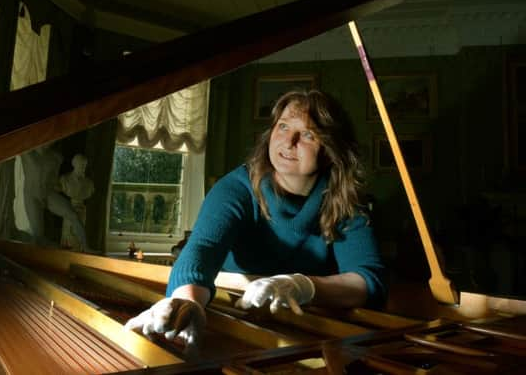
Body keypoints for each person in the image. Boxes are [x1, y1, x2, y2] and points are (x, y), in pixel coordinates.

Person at [125, 90, 386, 349]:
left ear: (330, 149)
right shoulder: (237, 187)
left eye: (307, 134)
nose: (288, 141)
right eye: (283, 126)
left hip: (310, 325)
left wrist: (303, 286)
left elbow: (368, 280)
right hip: (235, 313)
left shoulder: (347, 199)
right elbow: (202, 249)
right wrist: (187, 301)